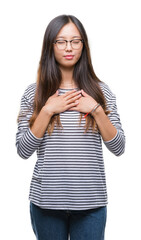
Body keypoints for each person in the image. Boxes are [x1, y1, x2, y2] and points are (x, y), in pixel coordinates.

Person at [16, 14, 125, 240]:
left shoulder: (101, 92)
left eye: (75, 41)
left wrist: (95, 109)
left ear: (83, 46)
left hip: (91, 204)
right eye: (61, 41)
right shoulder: (33, 93)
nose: (69, 47)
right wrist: (47, 110)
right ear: (50, 46)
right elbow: (23, 151)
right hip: (46, 203)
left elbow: (119, 147)